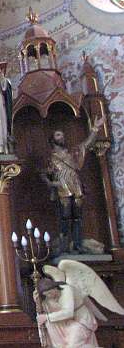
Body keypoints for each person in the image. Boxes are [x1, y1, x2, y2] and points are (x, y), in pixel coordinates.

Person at [43, 116, 106, 254]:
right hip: (62, 188)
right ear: (52, 139)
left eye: (63, 135)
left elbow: (86, 144)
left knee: (77, 216)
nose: (62, 137)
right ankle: (64, 246)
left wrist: (95, 128)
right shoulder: (51, 159)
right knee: (65, 216)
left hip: (75, 186)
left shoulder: (72, 153)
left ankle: (77, 244)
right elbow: (45, 175)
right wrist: (52, 183)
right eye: (58, 135)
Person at [36, 260, 124, 347]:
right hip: (70, 323)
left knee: (72, 345)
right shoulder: (52, 296)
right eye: (46, 295)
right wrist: (37, 299)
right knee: (51, 325)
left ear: (54, 288)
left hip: (82, 321)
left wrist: (47, 317)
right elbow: (46, 306)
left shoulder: (67, 290)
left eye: (49, 293)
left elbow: (68, 313)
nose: (49, 296)